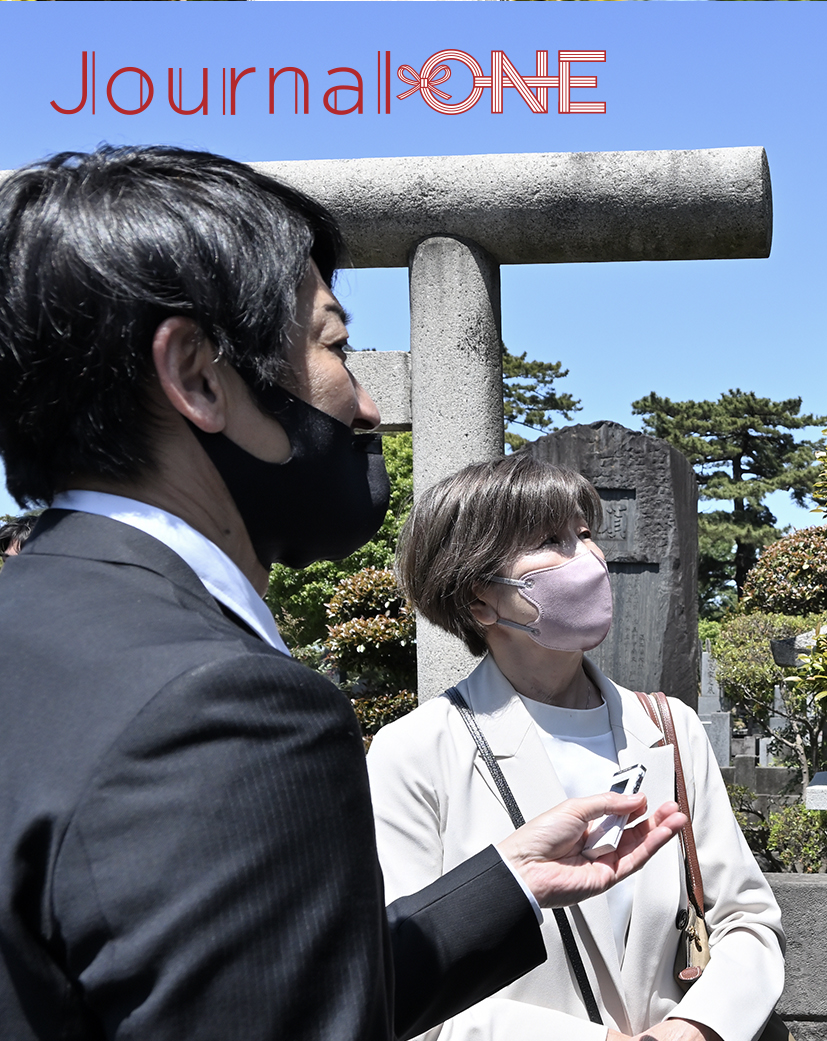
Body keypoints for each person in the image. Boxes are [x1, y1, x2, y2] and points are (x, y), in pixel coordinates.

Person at [0, 145, 684, 1040]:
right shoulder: (221, 710)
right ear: (199, 375)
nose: (365, 406)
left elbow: (239, 979)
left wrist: (506, 881)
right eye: (334, 346)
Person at [368, 453, 784, 1041]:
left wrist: (695, 1028)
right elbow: (402, 971)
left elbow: (747, 917)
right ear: (479, 601)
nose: (586, 558)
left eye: (584, 534)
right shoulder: (414, 751)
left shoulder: (669, 728)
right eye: (550, 541)